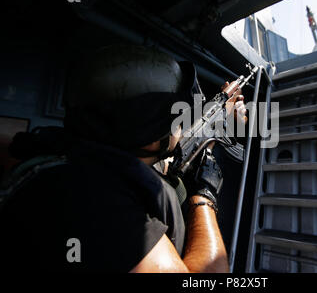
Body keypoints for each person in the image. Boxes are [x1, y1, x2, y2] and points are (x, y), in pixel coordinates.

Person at [0, 45, 247, 272]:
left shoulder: (71, 161)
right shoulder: (92, 203)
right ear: (150, 140)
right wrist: (204, 197)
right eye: (177, 118)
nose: (183, 123)